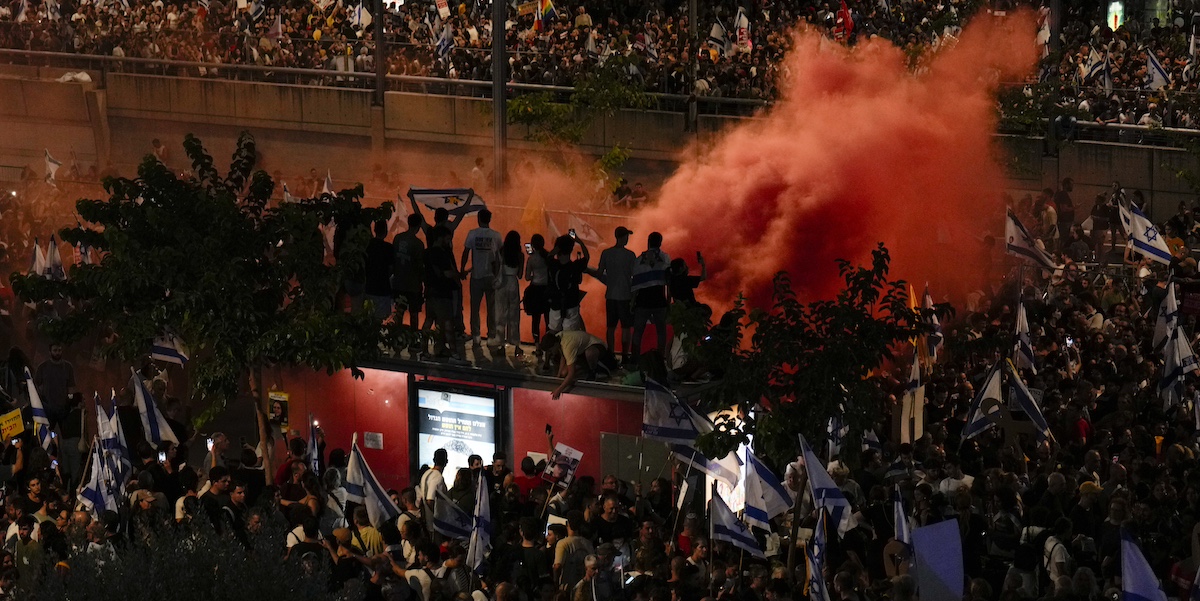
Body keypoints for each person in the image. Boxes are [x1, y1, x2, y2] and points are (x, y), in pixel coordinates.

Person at [461, 209, 503, 349]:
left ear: (478, 219)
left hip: (476, 277)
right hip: (491, 277)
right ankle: (491, 336)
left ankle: (476, 337)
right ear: (489, 220)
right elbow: (499, 258)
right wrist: (499, 276)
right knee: (492, 309)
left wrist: (462, 269)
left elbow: (466, 252)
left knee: (475, 308)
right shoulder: (496, 236)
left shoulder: (473, 234)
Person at [593, 226, 636, 363]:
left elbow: (599, 273)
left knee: (610, 327)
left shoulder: (606, 253)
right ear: (623, 237)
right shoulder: (630, 255)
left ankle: (610, 354)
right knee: (626, 327)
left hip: (610, 295)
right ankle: (624, 355)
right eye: (627, 236)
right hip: (625, 296)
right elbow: (634, 276)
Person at [630, 232, 671, 365]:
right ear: (660, 242)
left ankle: (635, 359)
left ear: (648, 242)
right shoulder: (665, 258)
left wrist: (632, 302)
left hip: (642, 301)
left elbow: (635, 284)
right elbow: (668, 282)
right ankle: (660, 358)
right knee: (661, 331)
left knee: (638, 332)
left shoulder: (639, 259)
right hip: (659, 300)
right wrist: (668, 300)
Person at [424, 226, 464, 360]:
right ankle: (454, 353)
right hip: (442, 293)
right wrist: (458, 275)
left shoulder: (427, 252)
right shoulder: (441, 253)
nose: (449, 242)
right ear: (440, 238)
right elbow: (447, 273)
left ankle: (425, 349)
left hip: (430, 292)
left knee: (429, 320)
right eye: (447, 239)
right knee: (447, 323)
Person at [543, 329, 616, 399]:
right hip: (581, 352)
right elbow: (563, 356)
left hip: (597, 346)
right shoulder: (558, 337)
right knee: (563, 373)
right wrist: (559, 375)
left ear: (555, 344)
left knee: (589, 354)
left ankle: (596, 369)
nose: (551, 353)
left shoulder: (568, 346)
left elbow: (571, 374)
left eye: (551, 350)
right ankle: (587, 364)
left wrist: (559, 389)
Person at [547, 234, 590, 335]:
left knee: (553, 332)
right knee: (569, 334)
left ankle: (552, 350)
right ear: (571, 249)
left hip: (556, 303)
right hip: (572, 303)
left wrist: (558, 247)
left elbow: (549, 256)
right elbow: (587, 257)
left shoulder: (553, 265)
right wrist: (579, 241)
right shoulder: (575, 266)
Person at [392, 213, 426, 335]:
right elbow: (419, 265)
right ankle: (413, 339)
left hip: (398, 282)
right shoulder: (418, 244)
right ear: (419, 225)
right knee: (414, 313)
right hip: (412, 284)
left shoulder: (397, 238)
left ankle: (396, 337)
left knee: (399, 311)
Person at [495, 231, 525, 358]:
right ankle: (516, 345)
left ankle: (501, 346)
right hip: (513, 282)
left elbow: (496, 268)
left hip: (501, 283)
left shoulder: (501, 252)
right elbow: (520, 275)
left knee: (500, 314)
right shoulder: (520, 255)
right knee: (514, 316)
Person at [33, 342, 75, 426]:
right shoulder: (43, 367)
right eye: (55, 350)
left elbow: (71, 386)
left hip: (63, 407)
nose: (57, 353)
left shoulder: (67, 367)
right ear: (50, 352)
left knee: (65, 433)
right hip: (48, 406)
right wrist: (40, 400)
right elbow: (36, 384)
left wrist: (70, 402)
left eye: (59, 350)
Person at [363, 219, 395, 323]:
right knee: (380, 319)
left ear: (374, 230)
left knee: (368, 318)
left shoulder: (367, 246)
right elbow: (391, 269)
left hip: (368, 286)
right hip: (382, 288)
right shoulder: (389, 248)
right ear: (385, 231)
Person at [524, 234, 552, 350]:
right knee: (548, 320)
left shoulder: (532, 259)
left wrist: (534, 276)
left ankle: (537, 346)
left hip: (535, 290)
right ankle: (548, 346)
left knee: (535, 320)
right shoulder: (548, 257)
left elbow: (526, 277)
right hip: (547, 290)